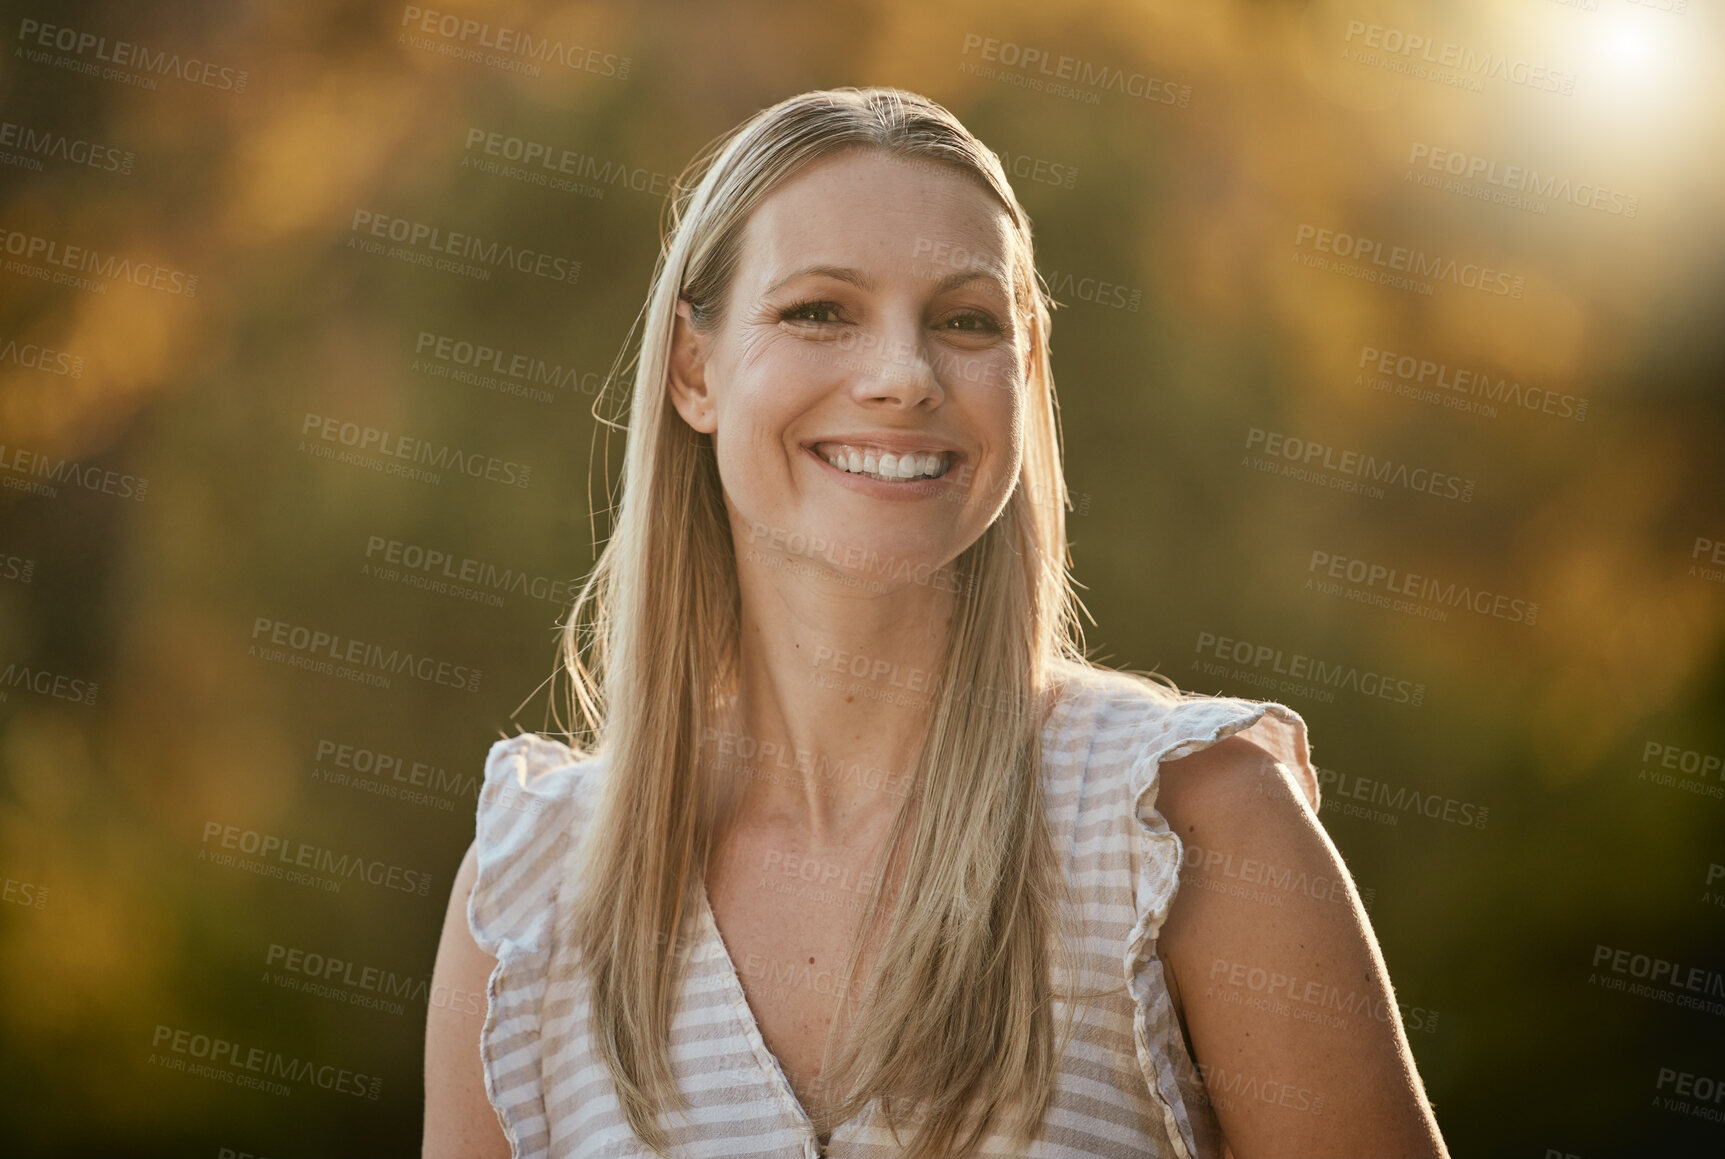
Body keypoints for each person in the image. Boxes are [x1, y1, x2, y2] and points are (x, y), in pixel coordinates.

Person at [424, 86, 1450, 1159]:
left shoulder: (1191, 824)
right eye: (819, 309)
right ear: (694, 370)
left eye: (966, 321)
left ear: (1026, 373)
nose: (904, 379)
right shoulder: (527, 895)